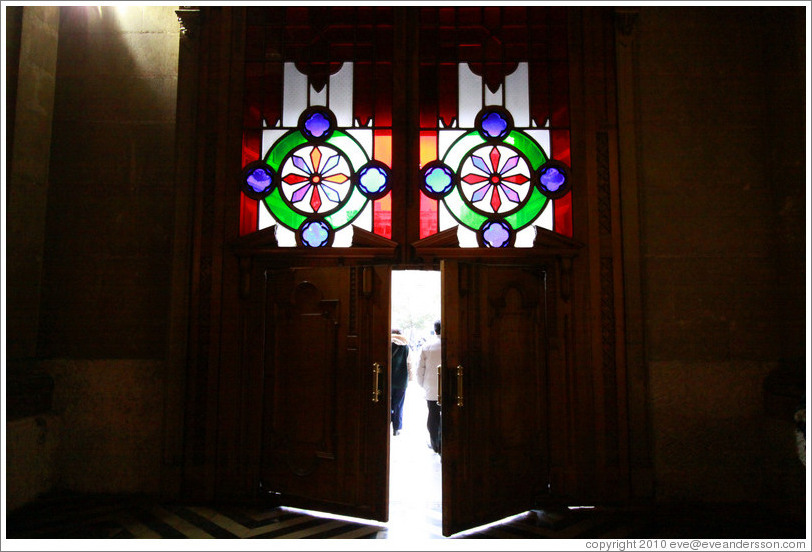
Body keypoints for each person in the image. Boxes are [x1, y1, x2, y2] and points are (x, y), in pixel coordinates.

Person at [417, 320, 442, 454]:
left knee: (433, 415)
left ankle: (435, 443)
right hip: (450, 387)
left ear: (435, 330)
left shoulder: (427, 346)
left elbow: (420, 369)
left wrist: (423, 384)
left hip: (432, 387)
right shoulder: (453, 344)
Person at [390, 329, 411, 436]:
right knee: (398, 404)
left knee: (387, 403)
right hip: (401, 381)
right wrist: (410, 378)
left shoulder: (387, 345)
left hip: (388, 380)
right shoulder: (405, 347)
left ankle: (386, 424)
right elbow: (409, 364)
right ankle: (396, 428)